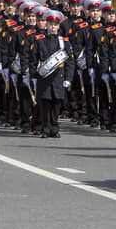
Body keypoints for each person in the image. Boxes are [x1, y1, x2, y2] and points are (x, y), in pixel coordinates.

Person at [33, 10, 74, 138]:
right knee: (45, 104)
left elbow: (70, 62)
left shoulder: (64, 41)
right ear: (46, 24)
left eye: (55, 24)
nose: (52, 27)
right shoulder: (39, 40)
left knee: (56, 105)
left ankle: (55, 128)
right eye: (50, 24)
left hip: (58, 77)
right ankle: (46, 128)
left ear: (58, 26)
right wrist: (33, 76)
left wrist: (68, 78)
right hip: (44, 77)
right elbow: (33, 59)